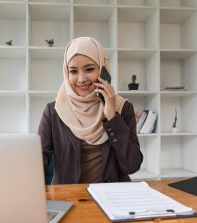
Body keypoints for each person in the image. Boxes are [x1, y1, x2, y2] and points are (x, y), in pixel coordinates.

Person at [38, 37, 143, 184]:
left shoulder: (123, 108)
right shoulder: (54, 111)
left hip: (112, 198)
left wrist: (112, 116)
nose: (81, 79)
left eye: (89, 69)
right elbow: (37, 163)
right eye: (73, 71)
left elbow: (132, 165)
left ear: (102, 69)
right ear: (66, 73)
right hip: (69, 199)